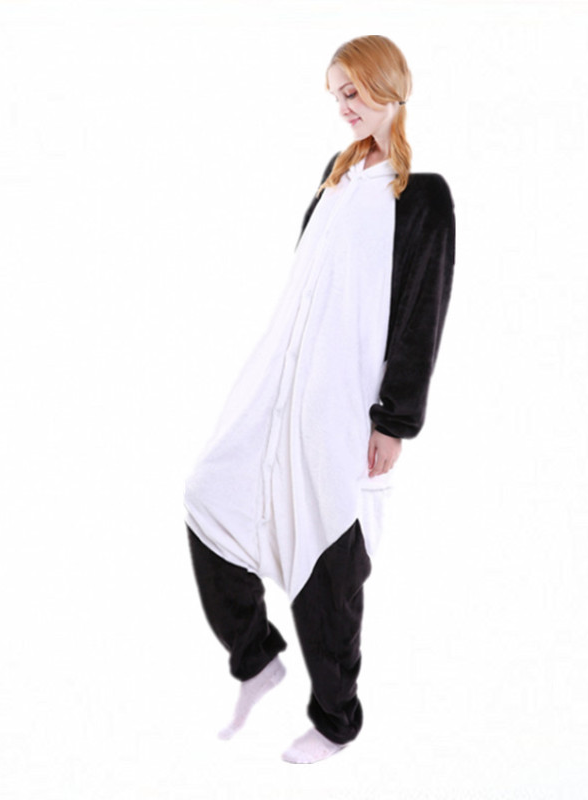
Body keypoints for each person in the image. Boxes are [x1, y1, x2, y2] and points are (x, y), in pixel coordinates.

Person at [183, 34, 455, 764]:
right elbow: (307, 292)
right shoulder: (333, 179)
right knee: (208, 495)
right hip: (282, 393)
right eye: (336, 95)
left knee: (329, 556)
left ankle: (337, 719)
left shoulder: (421, 197)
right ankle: (256, 656)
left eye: (352, 91)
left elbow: (420, 315)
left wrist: (394, 420)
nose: (343, 106)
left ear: (387, 85)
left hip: (347, 405)